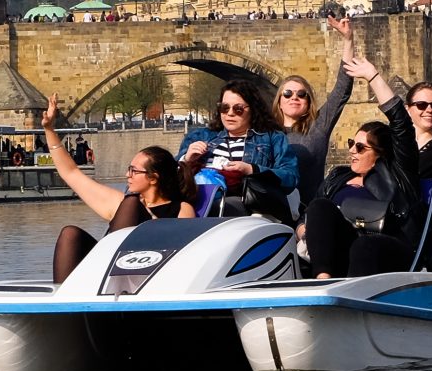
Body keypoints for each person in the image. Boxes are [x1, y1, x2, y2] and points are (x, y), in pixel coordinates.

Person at [43, 93, 192, 283]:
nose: (127, 175)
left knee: (131, 203)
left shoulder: (182, 209)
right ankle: (63, 305)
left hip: (147, 275)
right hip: (103, 274)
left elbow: (180, 250)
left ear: (153, 178)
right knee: (70, 234)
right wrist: (49, 130)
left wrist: (146, 216)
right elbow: (71, 173)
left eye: (133, 171)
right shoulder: (120, 204)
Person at [301, 112, 421, 279]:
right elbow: (309, 215)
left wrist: (374, 83)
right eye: (352, 143)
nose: (351, 151)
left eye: (360, 147)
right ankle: (322, 280)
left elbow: (403, 127)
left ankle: (354, 297)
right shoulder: (337, 177)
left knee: (363, 244)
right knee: (320, 205)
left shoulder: (398, 177)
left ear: (380, 153)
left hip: (386, 248)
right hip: (343, 246)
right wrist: (305, 232)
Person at [177, 78, 298, 220]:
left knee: (215, 207)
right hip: (194, 196)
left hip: (242, 203)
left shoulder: (272, 137)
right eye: (224, 108)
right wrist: (186, 160)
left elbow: (290, 177)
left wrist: (251, 169)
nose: (230, 113)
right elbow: (166, 177)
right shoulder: (200, 136)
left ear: (252, 109)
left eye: (238, 109)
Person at [272, 16, 357, 204]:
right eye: (287, 93)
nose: (294, 97)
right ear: (279, 101)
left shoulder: (318, 126)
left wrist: (348, 39)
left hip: (308, 208)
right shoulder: (267, 132)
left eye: (302, 94)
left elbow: (342, 89)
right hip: (272, 208)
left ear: (308, 102)